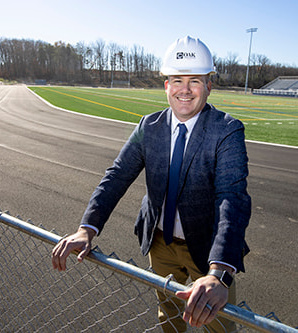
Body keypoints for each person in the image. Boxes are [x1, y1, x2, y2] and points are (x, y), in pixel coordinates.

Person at [52, 35, 251, 333]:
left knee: (218, 324)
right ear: (166, 85)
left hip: (208, 251)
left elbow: (231, 199)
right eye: (177, 80)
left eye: (195, 80)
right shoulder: (149, 126)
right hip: (160, 244)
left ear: (209, 84)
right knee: (169, 316)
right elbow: (117, 175)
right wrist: (86, 228)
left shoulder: (227, 130)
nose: (185, 90)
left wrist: (219, 273)